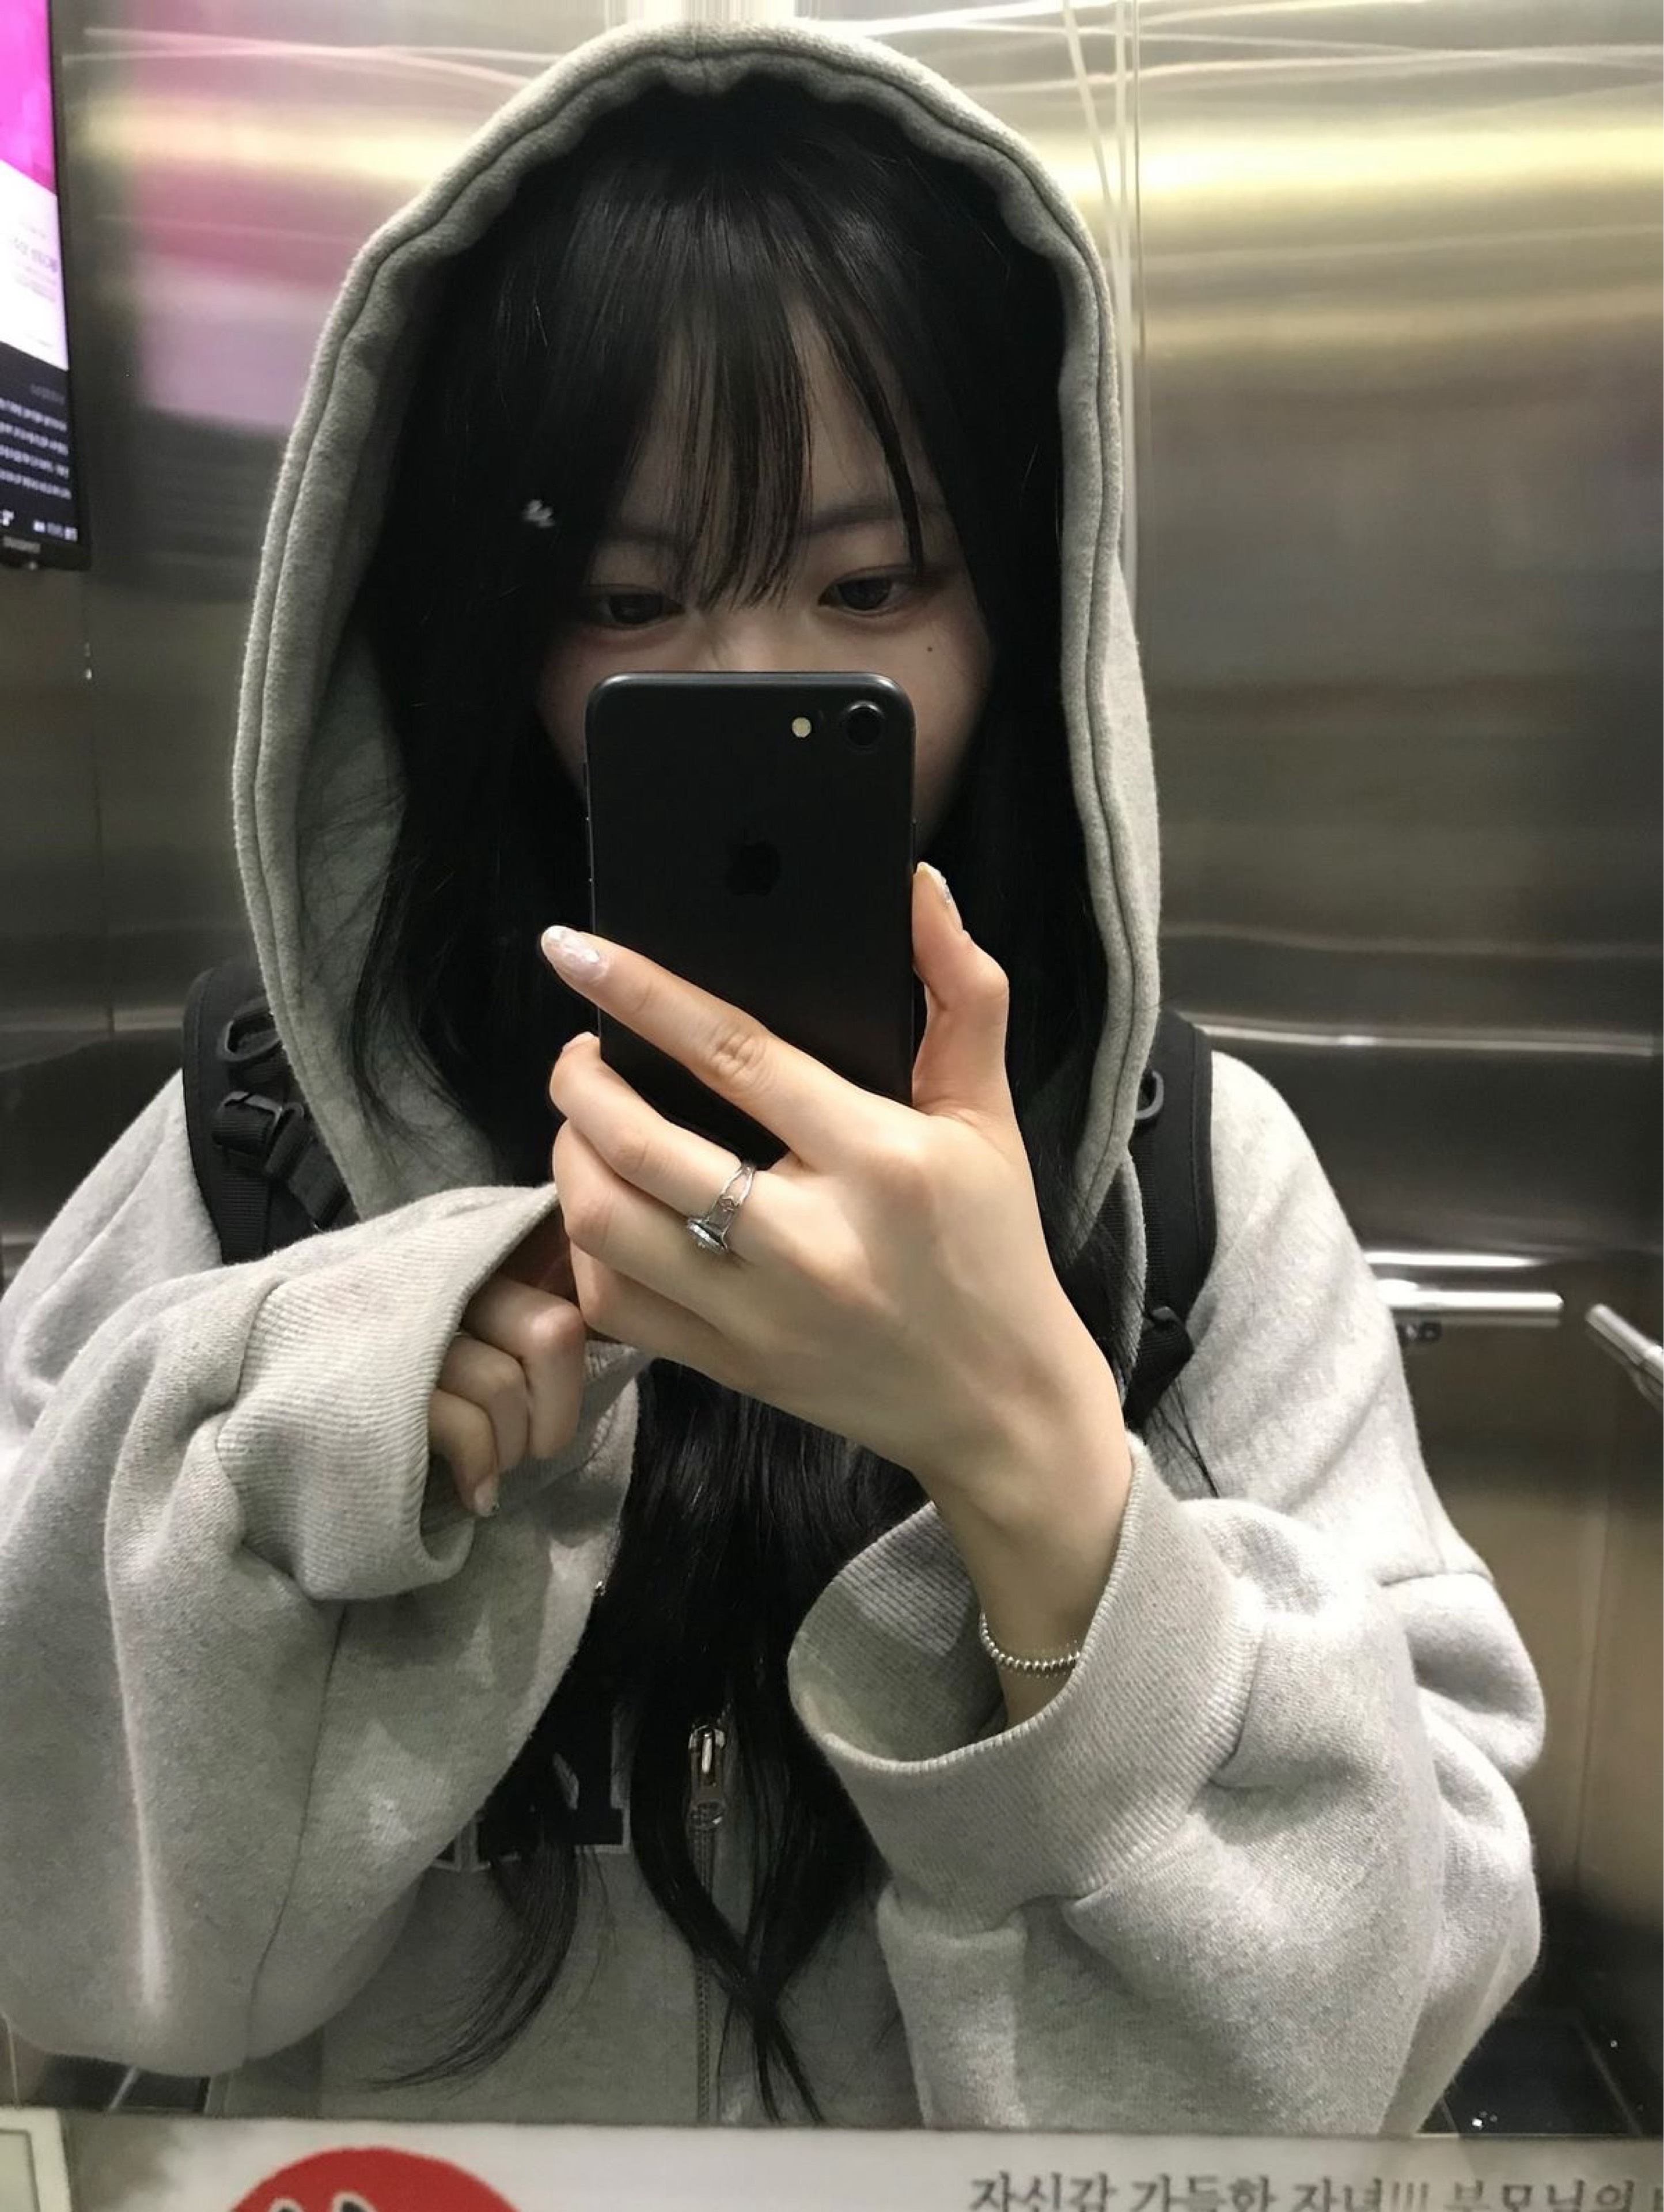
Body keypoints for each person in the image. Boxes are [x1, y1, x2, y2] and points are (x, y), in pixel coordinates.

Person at [0, 17, 1545, 2136]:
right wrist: (315, 1438)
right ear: (484, 625)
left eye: (869, 582)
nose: (751, 678)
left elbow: (1378, 2041)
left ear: (1017, 605)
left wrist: (1036, 1470)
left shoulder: (1182, 1179)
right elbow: (59, 1928)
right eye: (622, 599)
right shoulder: (262, 1144)